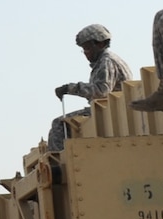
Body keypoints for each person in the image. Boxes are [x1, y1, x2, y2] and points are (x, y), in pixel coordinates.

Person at [48, 24, 135, 152]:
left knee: (59, 124)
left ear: (100, 44)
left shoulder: (107, 61)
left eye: (88, 48)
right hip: (112, 108)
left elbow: (101, 91)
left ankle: (60, 163)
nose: (86, 53)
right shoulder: (106, 60)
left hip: (110, 109)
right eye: (84, 49)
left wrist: (70, 88)